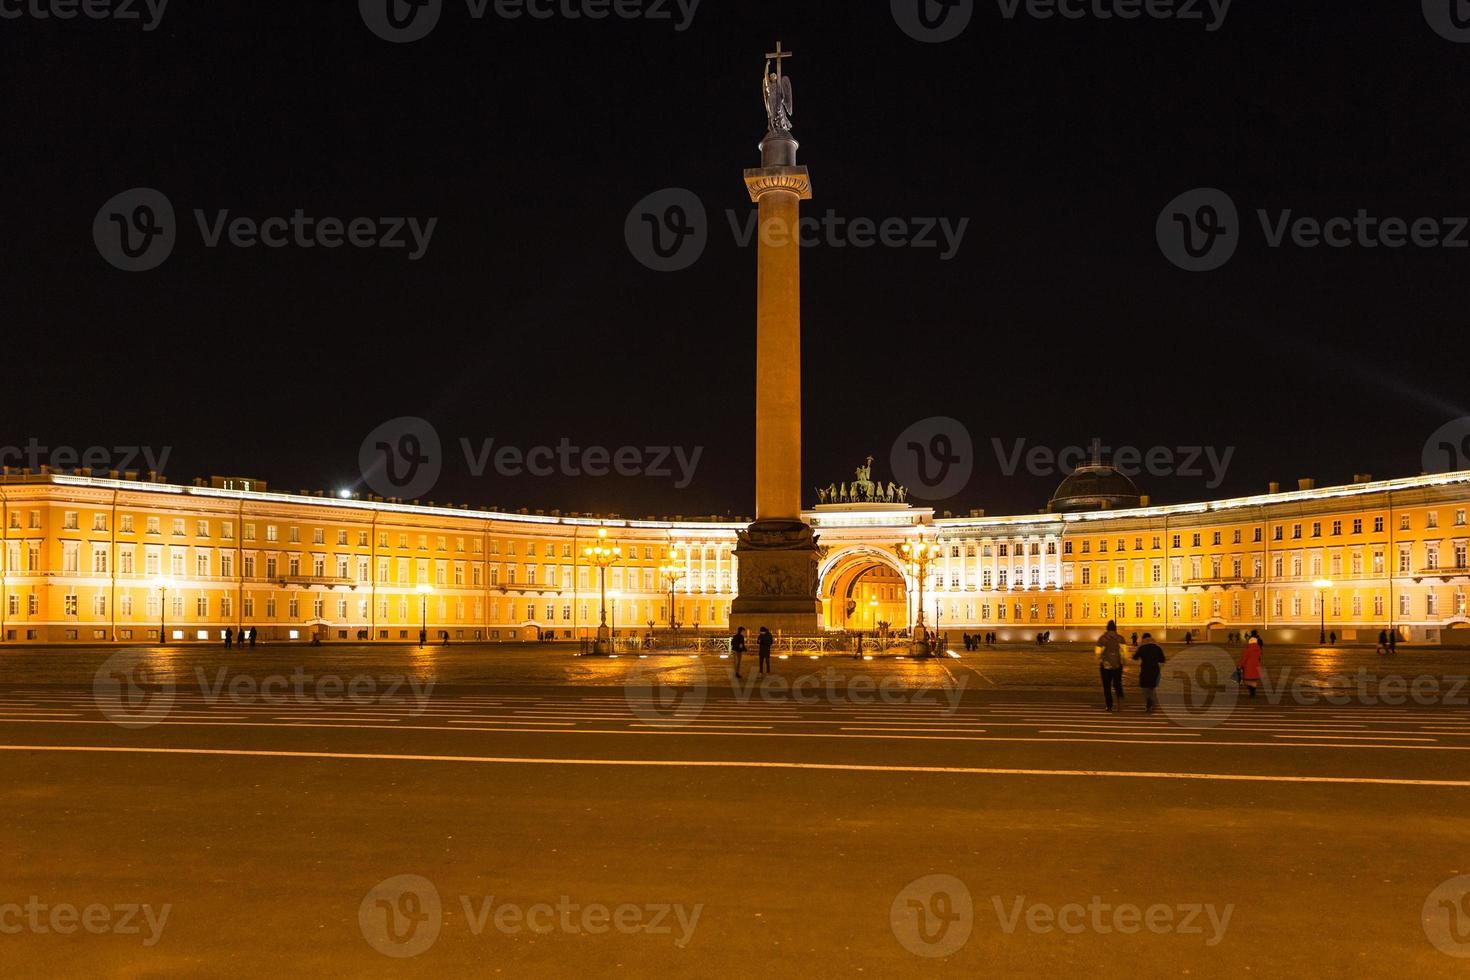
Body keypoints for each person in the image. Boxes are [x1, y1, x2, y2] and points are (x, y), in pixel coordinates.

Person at [1131, 632, 1166, 714]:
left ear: (1143, 639)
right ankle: (1150, 702)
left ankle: (1149, 702)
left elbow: (1135, 657)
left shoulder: (1142, 647)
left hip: (1145, 669)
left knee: (1144, 687)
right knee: (1151, 687)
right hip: (1155, 670)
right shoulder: (1157, 647)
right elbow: (1162, 659)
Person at [1096, 619, 1127, 712]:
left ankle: (1109, 705)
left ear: (1107, 628)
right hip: (1117, 665)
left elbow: (1097, 652)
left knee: (1107, 686)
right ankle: (1119, 701)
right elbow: (1124, 652)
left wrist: (1100, 658)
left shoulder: (1102, 638)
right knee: (1117, 684)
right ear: (1115, 628)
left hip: (1106, 665)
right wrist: (1124, 660)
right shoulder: (1120, 638)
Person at [1239, 633, 1264, 698]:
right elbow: (1259, 658)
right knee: (1254, 680)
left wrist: (1240, 665)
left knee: (1246, 680)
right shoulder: (1259, 650)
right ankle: (1253, 693)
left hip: (1248, 666)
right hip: (1256, 666)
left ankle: (1252, 692)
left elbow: (1244, 658)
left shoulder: (1248, 649)